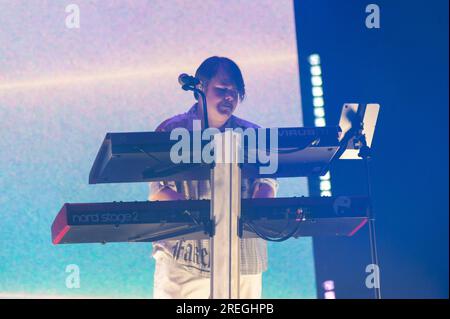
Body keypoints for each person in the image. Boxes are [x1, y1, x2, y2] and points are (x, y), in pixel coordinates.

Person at [149, 56, 278, 299]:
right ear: (200, 88)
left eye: (235, 91)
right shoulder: (171, 130)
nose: (229, 97)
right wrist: (209, 217)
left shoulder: (254, 134)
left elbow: (267, 185)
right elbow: (160, 190)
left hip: (243, 258)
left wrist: (256, 204)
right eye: (221, 89)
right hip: (184, 258)